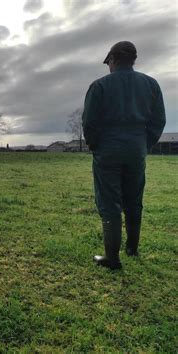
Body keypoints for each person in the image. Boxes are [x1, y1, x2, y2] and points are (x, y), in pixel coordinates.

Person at [82, 41, 166, 270]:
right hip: (137, 149)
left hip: (107, 150)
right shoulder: (151, 85)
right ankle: (132, 248)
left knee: (109, 201)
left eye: (108, 62)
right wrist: (144, 144)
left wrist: (96, 146)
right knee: (134, 198)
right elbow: (159, 121)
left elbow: (89, 123)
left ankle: (112, 258)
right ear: (133, 60)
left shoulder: (99, 86)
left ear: (112, 59)